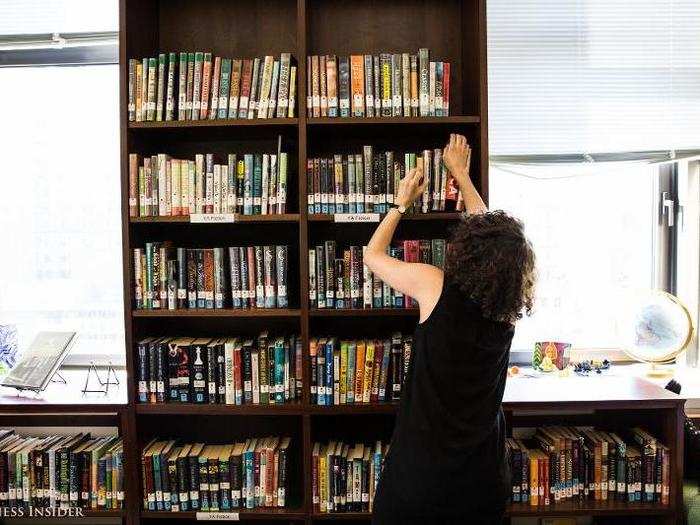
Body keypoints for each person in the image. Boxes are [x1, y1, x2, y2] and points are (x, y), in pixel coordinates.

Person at [366, 134, 536, 524]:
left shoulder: (434, 285)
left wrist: (400, 205)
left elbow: (372, 256)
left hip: (422, 478)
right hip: (482, 481)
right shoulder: (507, 309)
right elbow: (488, 234)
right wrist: (461, 174)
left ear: (468, 249)